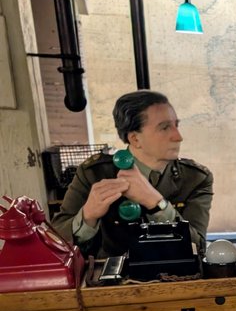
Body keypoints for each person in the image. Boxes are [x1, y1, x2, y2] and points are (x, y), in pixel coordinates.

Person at [52, 90, 213, 257]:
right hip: (111, 279)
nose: (178, 136)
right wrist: (88, 216)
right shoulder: (94, 174)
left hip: (175, 277)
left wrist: (156, 202)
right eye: (165, 127)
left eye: (176, 125)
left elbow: (198, 246)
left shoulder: (196, 178)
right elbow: (55, 243)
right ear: (135, 139)